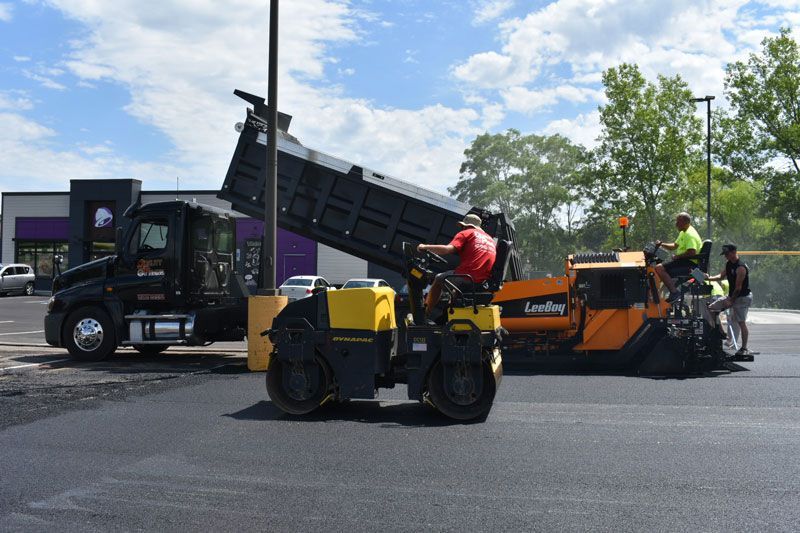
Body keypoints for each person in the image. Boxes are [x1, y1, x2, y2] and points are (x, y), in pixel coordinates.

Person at [417, 213, 497, 314]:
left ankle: (425, 313)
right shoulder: (490, 239)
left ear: (466, 226)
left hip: (468, 276)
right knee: (455, 291)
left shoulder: (467, 233)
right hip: (483, 280)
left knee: (439, 279)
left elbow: (447, 250)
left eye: (462, 227)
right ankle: (447, 317)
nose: (461, 229)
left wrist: (424, 247)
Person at [706, 244, 753, 361]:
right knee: (711, 308)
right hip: (732, 296)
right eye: (725, 254)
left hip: (742, 298)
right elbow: (721, 276)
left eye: (727, 254)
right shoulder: (728, 264)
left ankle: (744, 347)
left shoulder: (741, 267)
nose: (726, 256)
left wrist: (730, 301)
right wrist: (707, 278)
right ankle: (722, 333)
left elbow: (738, 288)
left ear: (734, 252)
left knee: (741, 322)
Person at [654, 212, 703, 303]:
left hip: (689, 264)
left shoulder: (690, 234)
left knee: (659, 268)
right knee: (659, 271)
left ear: (686, 222)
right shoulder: (683, 232)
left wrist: (678, 256)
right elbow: (674, 246)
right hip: (683, 261)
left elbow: (692, 252)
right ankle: (664, 295)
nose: (676, 224)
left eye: (678, 221)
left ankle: (674, 292)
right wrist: (662, 244)